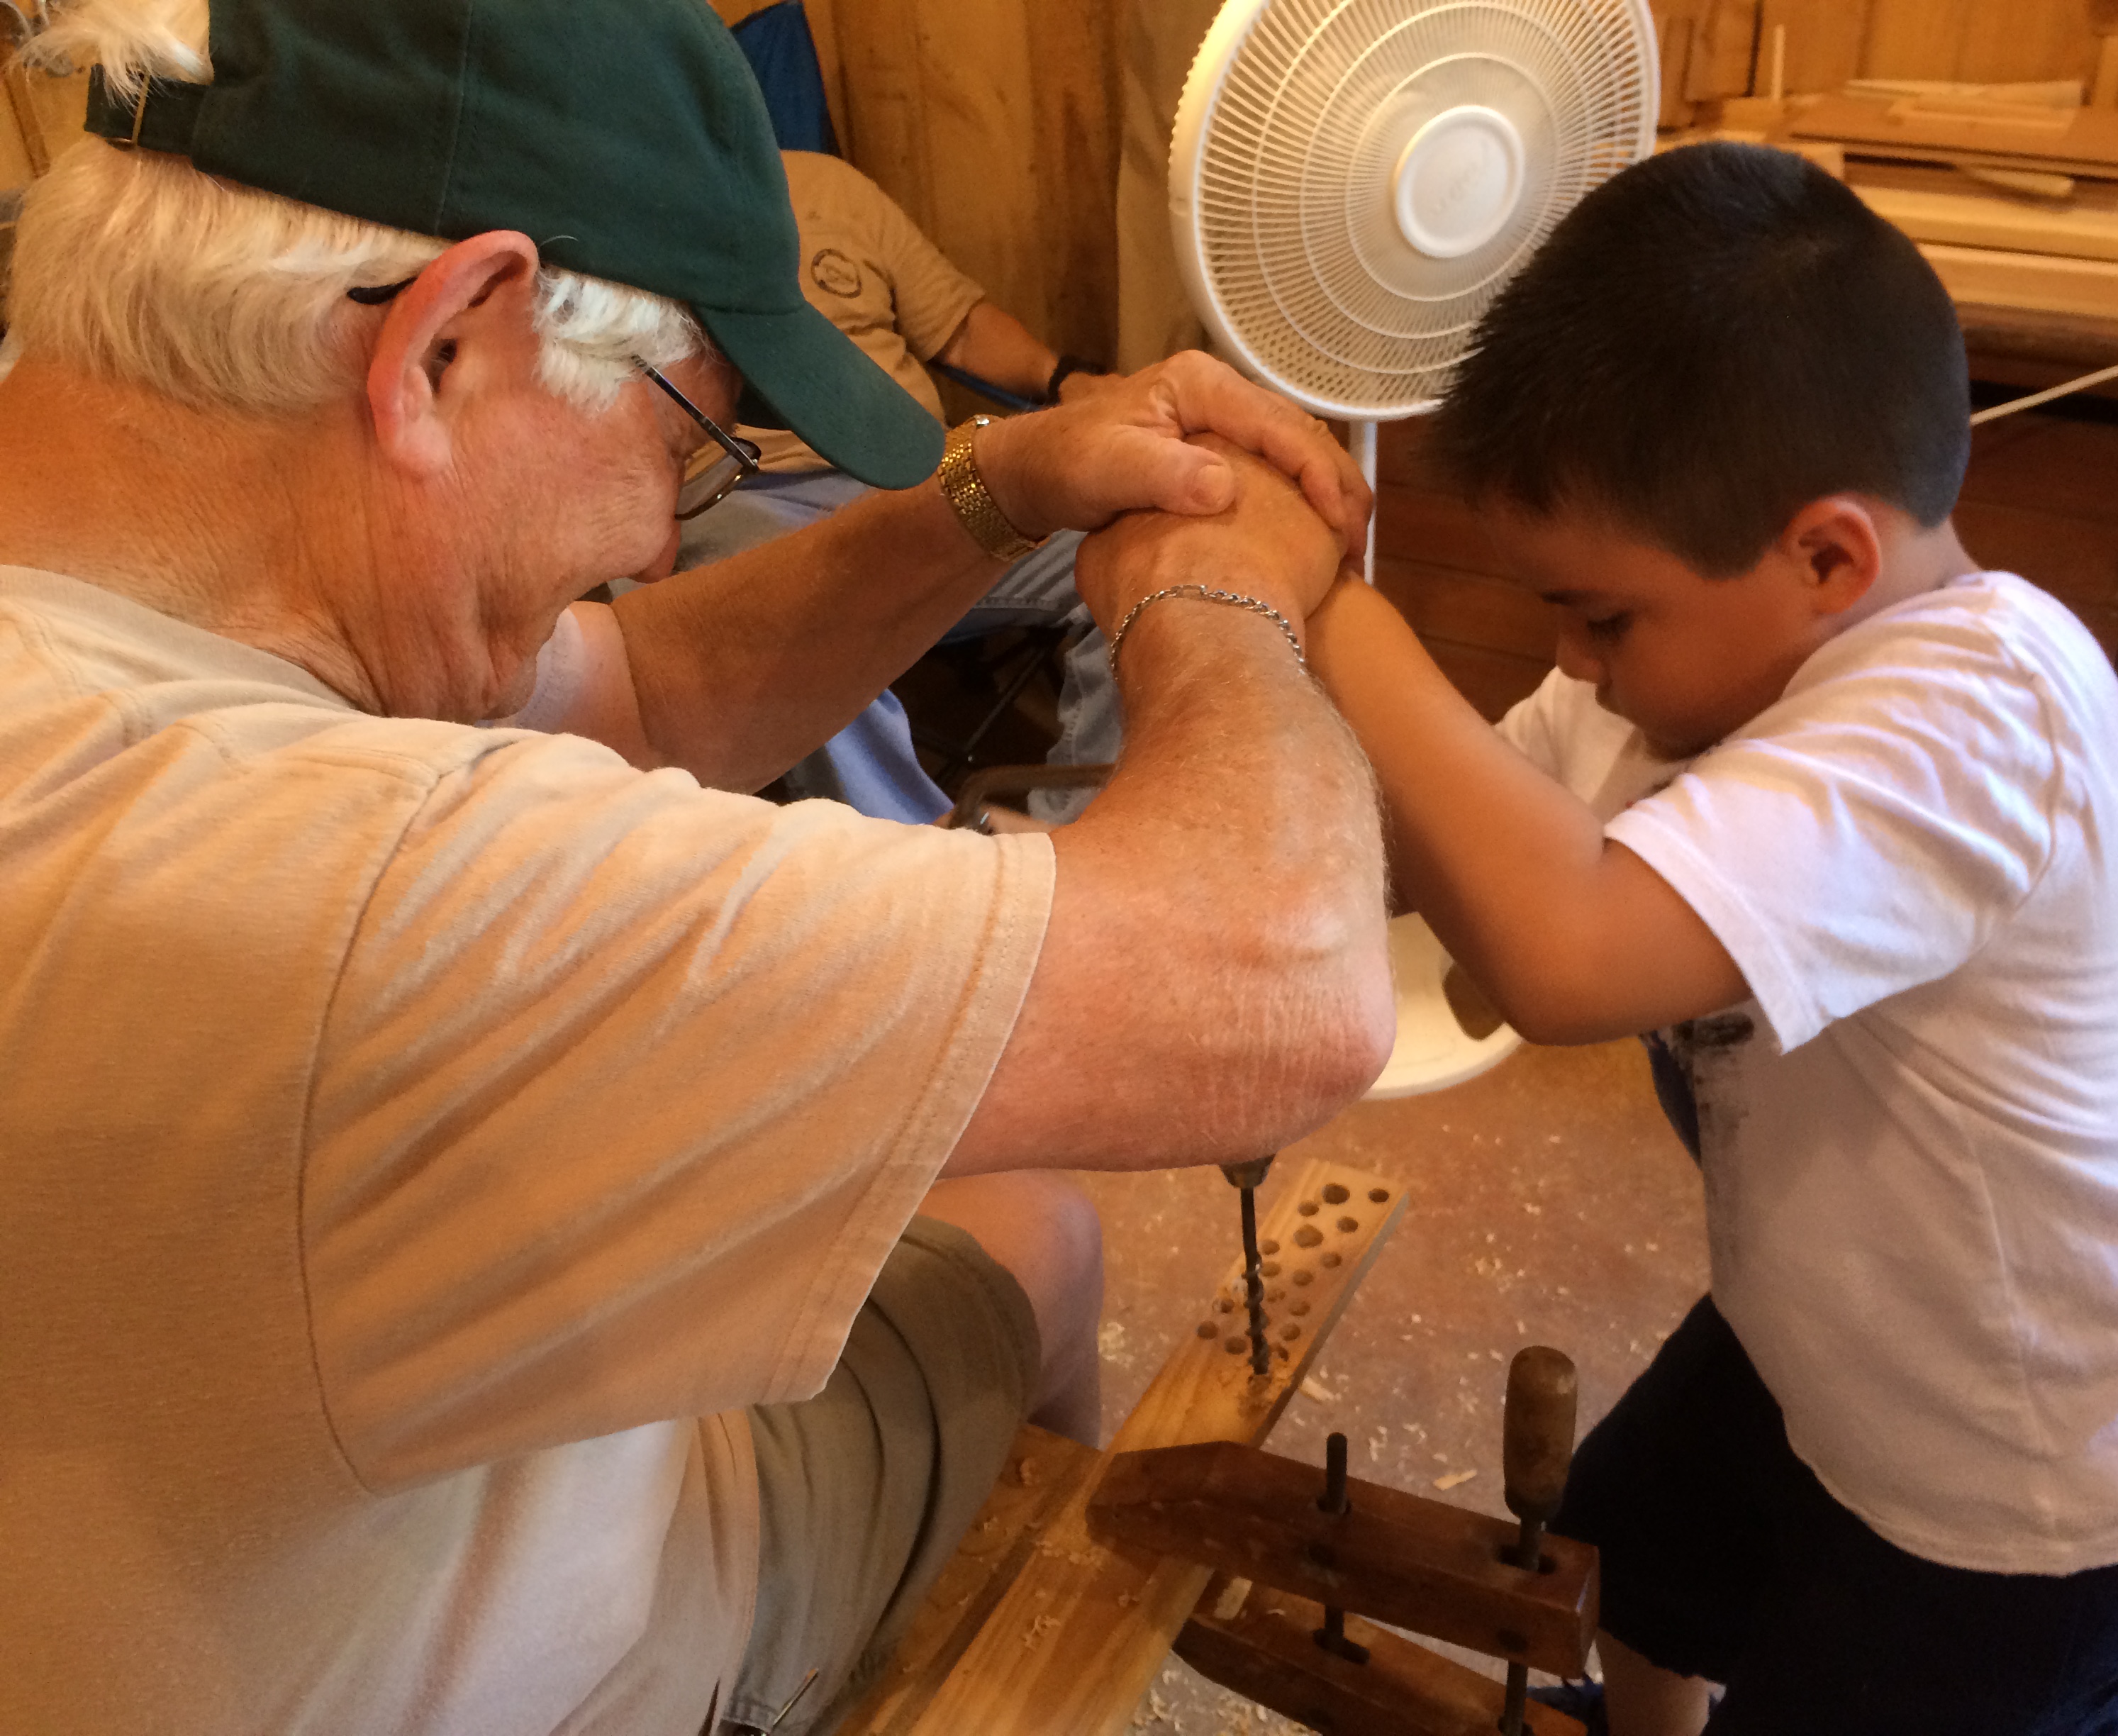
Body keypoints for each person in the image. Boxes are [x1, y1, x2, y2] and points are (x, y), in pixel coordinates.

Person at [0, 3, 1393, 1735]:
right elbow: (1280, 975)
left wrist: (1000, 489)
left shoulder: (136, 613)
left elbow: (645, 685)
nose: (662, 532)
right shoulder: (353, 878)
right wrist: (1228, 588)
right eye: (684, 437)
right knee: (1031, 1229)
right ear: (444, 343)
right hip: (582, 1663)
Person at [1303, 141, 2118, 1736]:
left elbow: (1559, 959)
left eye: (1601, 615)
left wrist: (1325, 611)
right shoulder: (1650, 688)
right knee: (1629, 1552)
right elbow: (1459, 881)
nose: (1576, 663)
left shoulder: (1980, 707)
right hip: (1840, 1334)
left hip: (2066, 1459)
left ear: (1829, 557)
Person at [674, 146, 1122, 824]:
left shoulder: (830, 185)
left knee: (1131, 536)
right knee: (778, 621)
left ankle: (1073, 834)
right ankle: (929, 858)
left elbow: (959, 325)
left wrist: (1068, 379)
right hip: (740, 491)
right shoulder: (630, 211)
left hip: (920, 472)